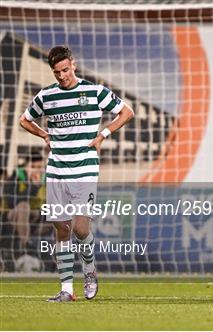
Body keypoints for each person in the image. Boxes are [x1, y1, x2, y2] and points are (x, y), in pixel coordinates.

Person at [19, 45, 134, 302]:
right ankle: (67, 290)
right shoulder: (46, 96)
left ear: (74, 64)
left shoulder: (94, 91)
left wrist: (103, 134)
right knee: (61, 228)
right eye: (56, 72)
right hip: (57, 169)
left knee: (81, 229)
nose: (62, 76)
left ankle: (90, 269)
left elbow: (127, 112)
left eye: (65, 69)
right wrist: (44, 134)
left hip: (85, 168)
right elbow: (24, 119)